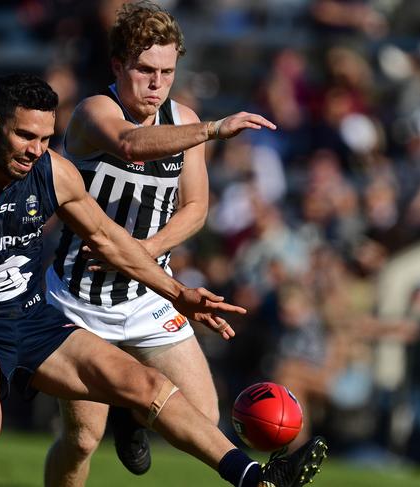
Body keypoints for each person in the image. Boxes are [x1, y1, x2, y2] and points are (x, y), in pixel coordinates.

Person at [0, 73, 327, 487]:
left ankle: (255, 479)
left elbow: (109, 239)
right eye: (23, 136)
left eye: (44, 138)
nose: (35, 149)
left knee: (147, 387)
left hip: (33, 316)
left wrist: (179, 294)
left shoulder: (52, 171)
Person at [44, 1, 279, 484]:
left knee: (202, 413)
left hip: (148, 292)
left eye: (167, 72)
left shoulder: (181, 116)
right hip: (80, 300)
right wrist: (213, 130)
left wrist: (145, 252)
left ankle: (134, 415)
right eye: (145, 70)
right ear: (117, 66)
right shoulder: (94, 112)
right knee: (83, 439)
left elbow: (195, 207)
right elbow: (129, 144)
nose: (156, 84)